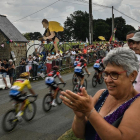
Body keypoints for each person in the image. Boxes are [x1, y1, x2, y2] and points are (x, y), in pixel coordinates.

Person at [60, 47, 140, 140]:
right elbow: (80, 134)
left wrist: (89, 112)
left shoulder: (137, 103)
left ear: (132, 75)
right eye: (106, 74)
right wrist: (80, 117)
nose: (108, 80)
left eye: (114, 74)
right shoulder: (101, 94)